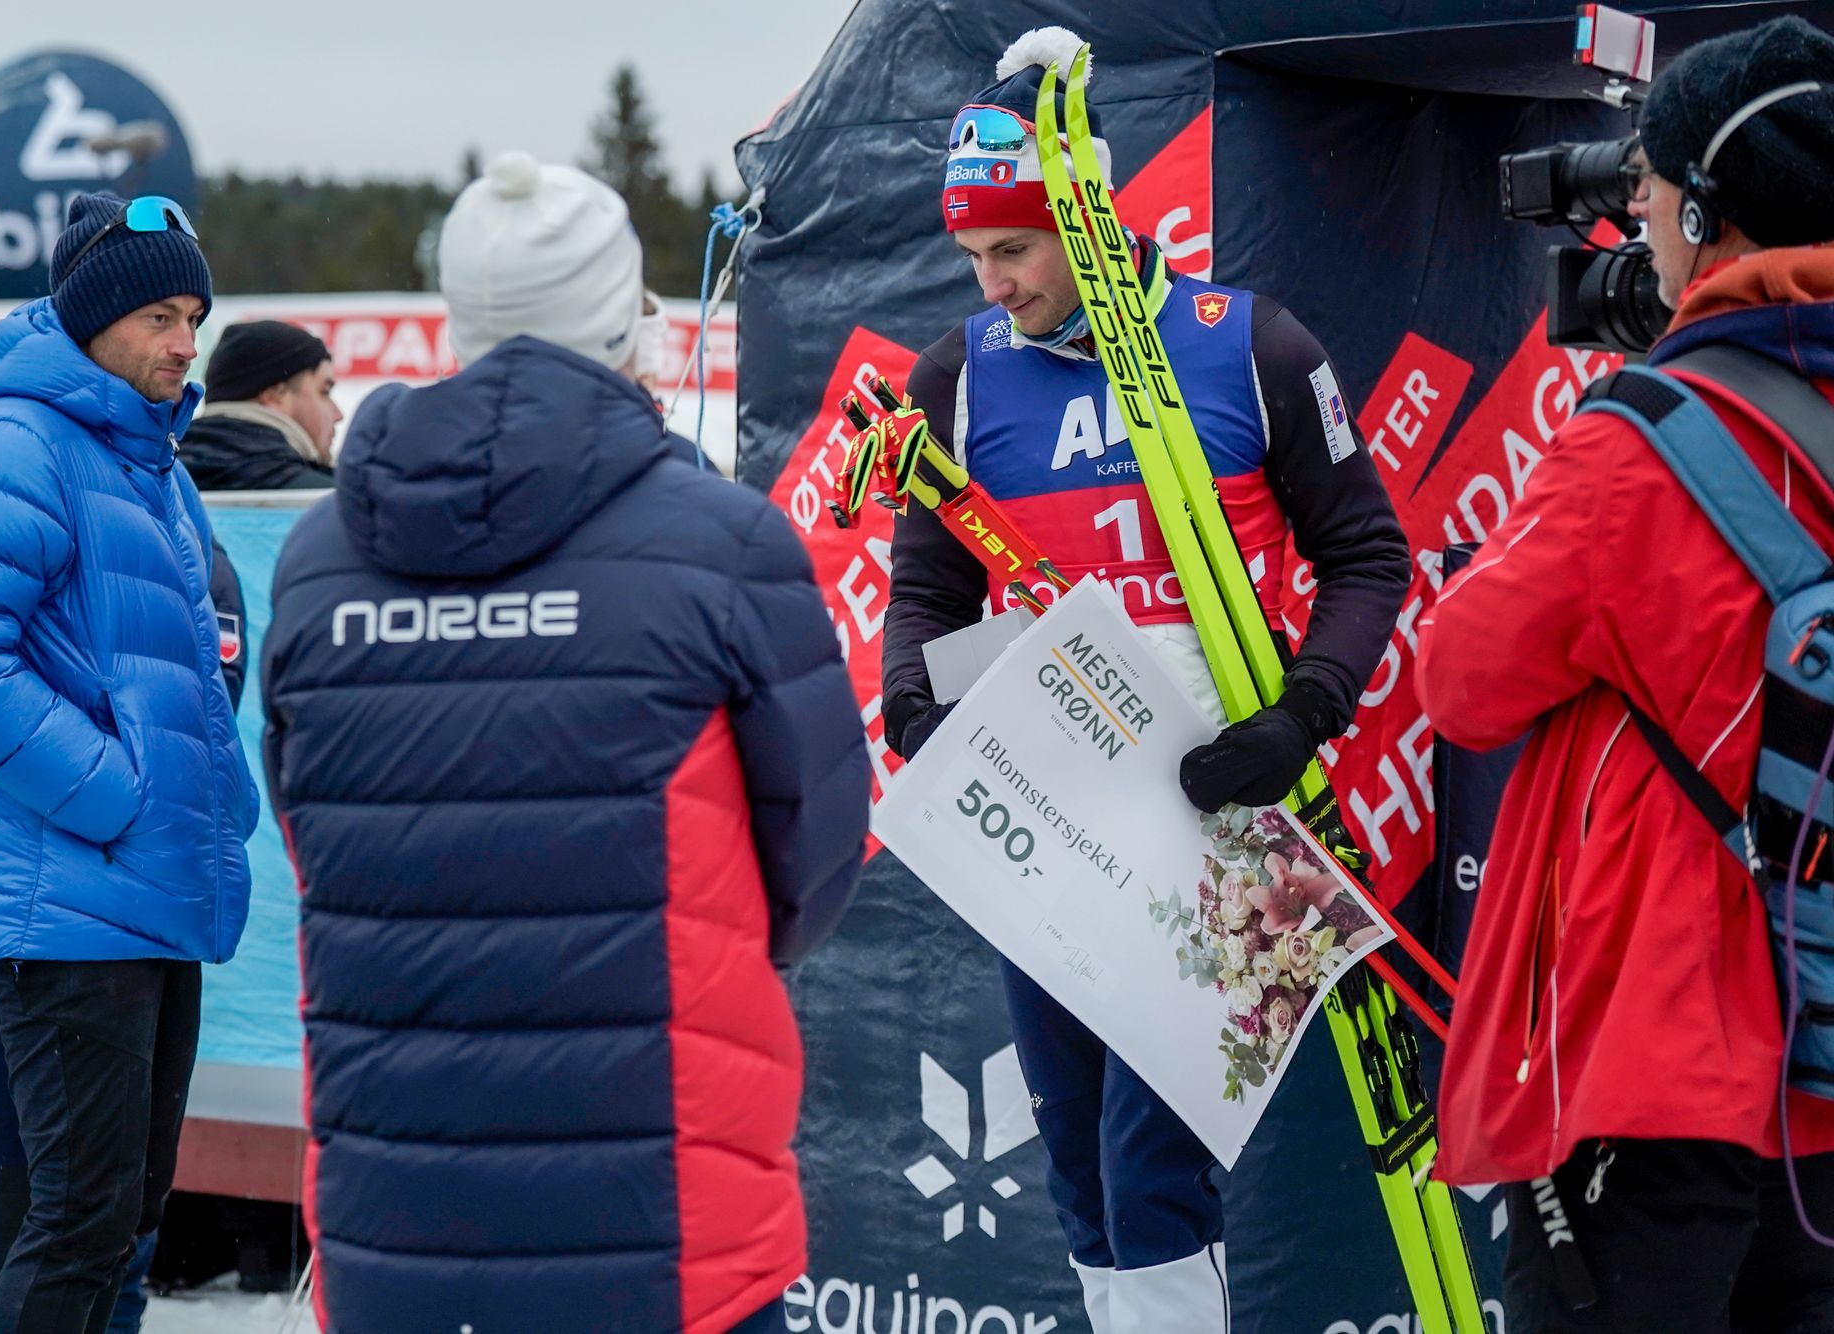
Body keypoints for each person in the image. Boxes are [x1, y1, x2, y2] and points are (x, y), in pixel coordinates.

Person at [262, 150, 871, 1334]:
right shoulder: (719, 543)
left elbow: (309, 832)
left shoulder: (321, 557)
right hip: (664, 1224)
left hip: (401, 1219)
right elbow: (818, 859)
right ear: (622, 322)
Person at [880, 28, 1410, 1333]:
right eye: (974, 259)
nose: (995, 284)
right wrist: (913, 702)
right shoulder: (954, 380)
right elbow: (930, 590)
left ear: (1084, 215)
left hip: (1222, 811)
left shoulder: (1251, 345)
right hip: (1060, 813)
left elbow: (1367, 552)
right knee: (1079, 1162)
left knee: (1152, 1161)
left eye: (1014, 250)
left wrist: (1305, 715)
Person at [1417, 16, 1834, 1332]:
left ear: (1702, 218)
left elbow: (1463, 682)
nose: (1633, 222)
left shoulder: (1642, 444)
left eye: (1645, 192)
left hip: (1656, 1062)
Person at [0, 190, 259, 1334]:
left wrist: (213, 805)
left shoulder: (150, 463)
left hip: (142, 890)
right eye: (158, 313)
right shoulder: (15, 440)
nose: (186, 341)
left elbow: (185, 666)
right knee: (77, 1222)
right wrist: (110, 791)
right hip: (64, 904)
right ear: (90, 318)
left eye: (193, 312)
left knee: (120, 1218)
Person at [0, 571, 243, 1331]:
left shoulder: (170, 512)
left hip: (117, 916)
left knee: (105, 1216)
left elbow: (209, 692)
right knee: (2, 1191)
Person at [178, 320, 340, 490]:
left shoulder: (163, 479)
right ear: (276, 394)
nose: (338, 414)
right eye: (324, 392)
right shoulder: (327, 499)